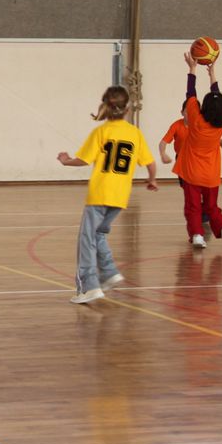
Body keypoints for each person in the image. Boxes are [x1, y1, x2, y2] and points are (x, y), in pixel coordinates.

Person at [57, 85, 158, 304]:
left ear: (106, 106)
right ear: (127, 109)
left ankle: (89, 287)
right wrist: (152, 180)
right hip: (120, 197)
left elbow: (83, 159)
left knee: (86, 239)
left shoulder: (101, 132)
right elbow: (150, 163)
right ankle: (110, 272)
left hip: (99, 194)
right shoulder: (135, 133)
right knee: (99, 234)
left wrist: (66, 161)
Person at [173, 54, 222, 249]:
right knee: (211, 207)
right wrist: (212, 74)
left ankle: (198, 236)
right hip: (211, 175)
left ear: (204, 107)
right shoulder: (220, 125)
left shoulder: (195, 118)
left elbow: (190, 91)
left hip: (192, 173)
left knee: (193, 208)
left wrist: (192, 68)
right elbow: (217, 97)